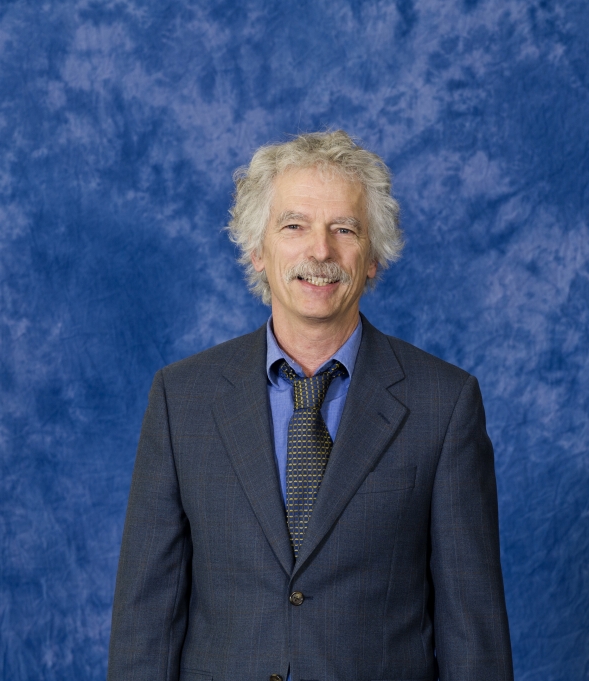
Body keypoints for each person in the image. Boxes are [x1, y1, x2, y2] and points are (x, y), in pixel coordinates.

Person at [107, 131, 513, 680]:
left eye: (344, 229)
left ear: (372, 257)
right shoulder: (182, 400)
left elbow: (474, 639)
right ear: (257, 250)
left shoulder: (444, 405)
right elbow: (144, 627)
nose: (320, 251)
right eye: (294, 226)